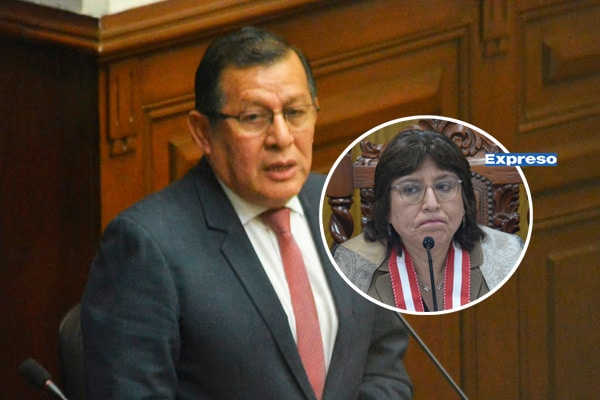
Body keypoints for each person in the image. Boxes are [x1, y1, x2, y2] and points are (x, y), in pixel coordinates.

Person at [81, 26, 412, 399]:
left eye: (295, 112)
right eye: (254, 117)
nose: (282, 137)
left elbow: (383, 367)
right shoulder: (146, 249)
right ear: (202, 132)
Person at [333, 129, 524, 313]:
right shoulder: (350, 266)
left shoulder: (509, 256)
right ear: (386, 208)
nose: (431, 204)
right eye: (410, 189)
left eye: (444, 186)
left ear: (465, 201)